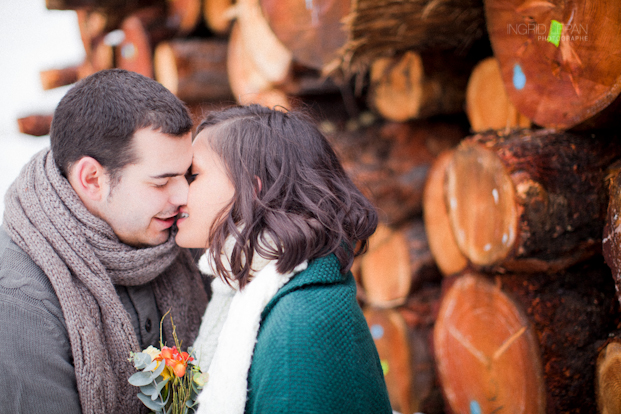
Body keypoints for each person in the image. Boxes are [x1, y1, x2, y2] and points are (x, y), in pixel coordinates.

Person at [0, 69, 209, 414]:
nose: (184, 194)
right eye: (161, 182)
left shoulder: (185, 237)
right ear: (92, 179)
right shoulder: (21, 303)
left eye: (187, 174)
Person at [177, 104, 393, 414]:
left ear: (250, 190)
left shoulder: (300, 326)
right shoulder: (263, 289)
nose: (179, 190)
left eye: (193, 175)